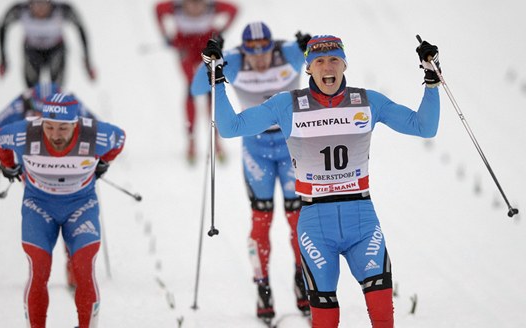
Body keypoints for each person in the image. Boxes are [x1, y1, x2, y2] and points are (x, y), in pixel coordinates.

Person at [201, 35, 441, 327]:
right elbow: (230, 127)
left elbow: (424, 127)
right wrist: (218, 79)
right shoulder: (287, 105)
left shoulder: (367, 101)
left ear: (344, 64)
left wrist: (431, 79)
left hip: (362, 220)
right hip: (316, 224)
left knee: (382, 315)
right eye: (319, 61)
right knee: (325, 319)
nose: (328, 67)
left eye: (334, 60)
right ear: (308, 68)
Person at [191, 22, 312, 322]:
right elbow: (196, 88)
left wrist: (310, 46)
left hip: (290, 146)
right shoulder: (232, 61)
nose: (259, 60)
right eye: (251, 53)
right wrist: (209, 60)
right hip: (256, 148)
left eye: (265, 52)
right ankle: (263, 288)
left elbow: (326, 65)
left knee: (297, 219)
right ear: (243, 51)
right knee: (262, 219)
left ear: (274, 46)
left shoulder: (290, 54)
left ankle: (302, 282)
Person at [0, 93, 125, 328]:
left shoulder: (95, 134)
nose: (55, 135)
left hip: (81, 204)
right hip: (39, 205)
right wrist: (8, 166)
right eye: (50, 127)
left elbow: (120, 138)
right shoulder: (25, 133)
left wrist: (104, 162)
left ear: (76, 124)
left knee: (84, 267)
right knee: (39, 269)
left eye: (63, 128)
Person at [0, 82, 96, 290]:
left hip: (72, 172)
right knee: (43, 219)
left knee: (74, 215)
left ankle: (74, 263)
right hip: (34, 175)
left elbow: (97, 129)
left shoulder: (72, 102)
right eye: (40, 115)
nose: (52, 129)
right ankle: (41, 270)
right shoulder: (21, 103)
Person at [154, 0, 238, 163]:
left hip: (206, 45)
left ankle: (216, 140)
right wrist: (165, 35)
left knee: (210, 88)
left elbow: (233, 10)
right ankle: (191, 141)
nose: (194, 8)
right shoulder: (175, 7)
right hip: (185, 47)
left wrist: (221, 31)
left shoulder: (213, 6)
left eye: (199, 4)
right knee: (191, 88)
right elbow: (158, 9)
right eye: (190, 4)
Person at [0, 0, 96, 87]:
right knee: (32, 85)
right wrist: (3, 58)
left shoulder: (62, 10)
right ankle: (32, 102)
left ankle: (56, 102)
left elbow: (80, 28)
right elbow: (3, 27)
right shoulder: (20, 10)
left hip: (56, 49)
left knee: (57, 86)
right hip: (32, 50)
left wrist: (87, 60)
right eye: (36, 4)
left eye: (44, 3)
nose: (40, 9)